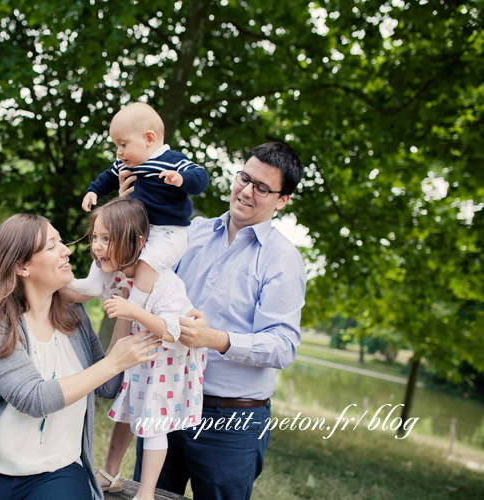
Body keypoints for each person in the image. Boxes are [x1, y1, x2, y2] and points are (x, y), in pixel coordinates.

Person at [0, 214, 161, 500]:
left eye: (61, 242)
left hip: (57, 471)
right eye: (53, 246)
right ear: (22, 266)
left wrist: (125, 309)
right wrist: (114, 362)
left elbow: (107, 386)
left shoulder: (74, 317)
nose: (67, 250)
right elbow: (34, 398)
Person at [130, 141, 307, 500]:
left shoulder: (283, 260)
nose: (246, 191)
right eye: (244, 178)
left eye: (262, 188)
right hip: (167, 397)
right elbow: (141, 275)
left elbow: (283, 346)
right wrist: (126, 205)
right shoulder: (190, 231)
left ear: (282, 200)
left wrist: (214, 338)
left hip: (231, 422)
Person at [69, 198, 207, 500]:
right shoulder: (117, 273)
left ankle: (145, 494)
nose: (97, 247)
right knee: (127, 412)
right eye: (95, 237)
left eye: (107, 239)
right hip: (143, 356)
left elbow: (172, 331)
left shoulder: (164, 282)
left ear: (139, 242)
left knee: (153, 423)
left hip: (168, 363)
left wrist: (133, 310)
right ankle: (110, 473)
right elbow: (83, 291)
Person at [69, 102, 208, 318]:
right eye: (116, 145)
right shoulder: (127, 164)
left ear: (149, 139)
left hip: (168, 232)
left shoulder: (172, 161)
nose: (119, 151)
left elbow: (200, 177)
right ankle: (94, 283)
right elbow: (107, 177)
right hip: (139, 228)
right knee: (108, 246)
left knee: (146, 262)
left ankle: (135, 304)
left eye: (123, 144)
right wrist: (93, 191)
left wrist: (181, 179)